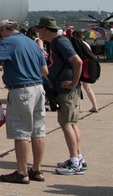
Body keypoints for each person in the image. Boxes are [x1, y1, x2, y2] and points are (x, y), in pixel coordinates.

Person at [0, 19, 49, 184]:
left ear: (5, 29)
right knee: (38, 131)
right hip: (38, 88)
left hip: (21, 90)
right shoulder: (32, 43)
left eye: (1, 32)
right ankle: (36, 169)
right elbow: (45, 71)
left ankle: (22, 172)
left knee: (21, 131)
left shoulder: (9, 42)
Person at [36, 16, 87, 176]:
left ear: (45, 29)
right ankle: (78, 157)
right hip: (65, 89)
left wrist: (72, 83)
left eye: (39, 29)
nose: (38, 32)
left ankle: (74, 160)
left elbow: (77, 61)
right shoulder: (56, 42)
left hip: (67, 90)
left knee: (66, 123)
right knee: (71, 123)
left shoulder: (60, 42)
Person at [72, 30, 100, 113]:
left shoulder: (76, 44)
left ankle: (79, 108)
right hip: (88, 66)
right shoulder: (86, 43)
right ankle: (95, 106)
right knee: (87, 88)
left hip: (80, 66)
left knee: (77, 87)